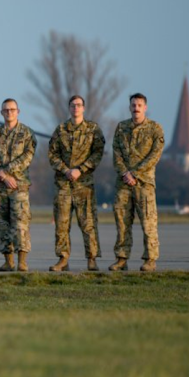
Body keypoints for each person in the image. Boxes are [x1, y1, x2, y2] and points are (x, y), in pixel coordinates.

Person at [47, 95, 106, 271]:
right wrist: (66, 170)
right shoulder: (61, 130)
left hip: (84, 184)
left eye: (79, 105)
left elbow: (98, 153)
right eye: (72, 105)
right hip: (63, 185)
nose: (76, 108)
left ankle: (92, 258)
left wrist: (81, 169)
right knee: (62, 224)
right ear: (69, 108)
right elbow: (52, 155)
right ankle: (63, 259)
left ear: (84, 108)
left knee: (88, 223)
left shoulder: (93, 129)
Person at [110, 93, 164, 272]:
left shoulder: (154, 128)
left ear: (145, 107)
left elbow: (154, 155)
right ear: (129, 107)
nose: (136, 107)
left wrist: (135, 173)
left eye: (139, 105)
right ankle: (121, 258)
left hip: (144, 184)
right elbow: (116, 152)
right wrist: (125, 173)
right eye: (133, 104)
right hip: (123, 183)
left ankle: (150, 259)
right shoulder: (121, 128)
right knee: (122, 222)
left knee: (148, 222)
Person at [0, 98, 37, 271]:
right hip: (0, 186)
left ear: (18, 111)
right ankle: (8, 260)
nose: (9, 113)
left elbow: (26, 158)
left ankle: (22, 260)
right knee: (2, 222)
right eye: (6, 110)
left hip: (19, 185)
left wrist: (7, 172)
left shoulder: (27, 133)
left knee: (20, 222)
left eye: (12, 110)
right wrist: (2, 175)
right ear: (1, 113)